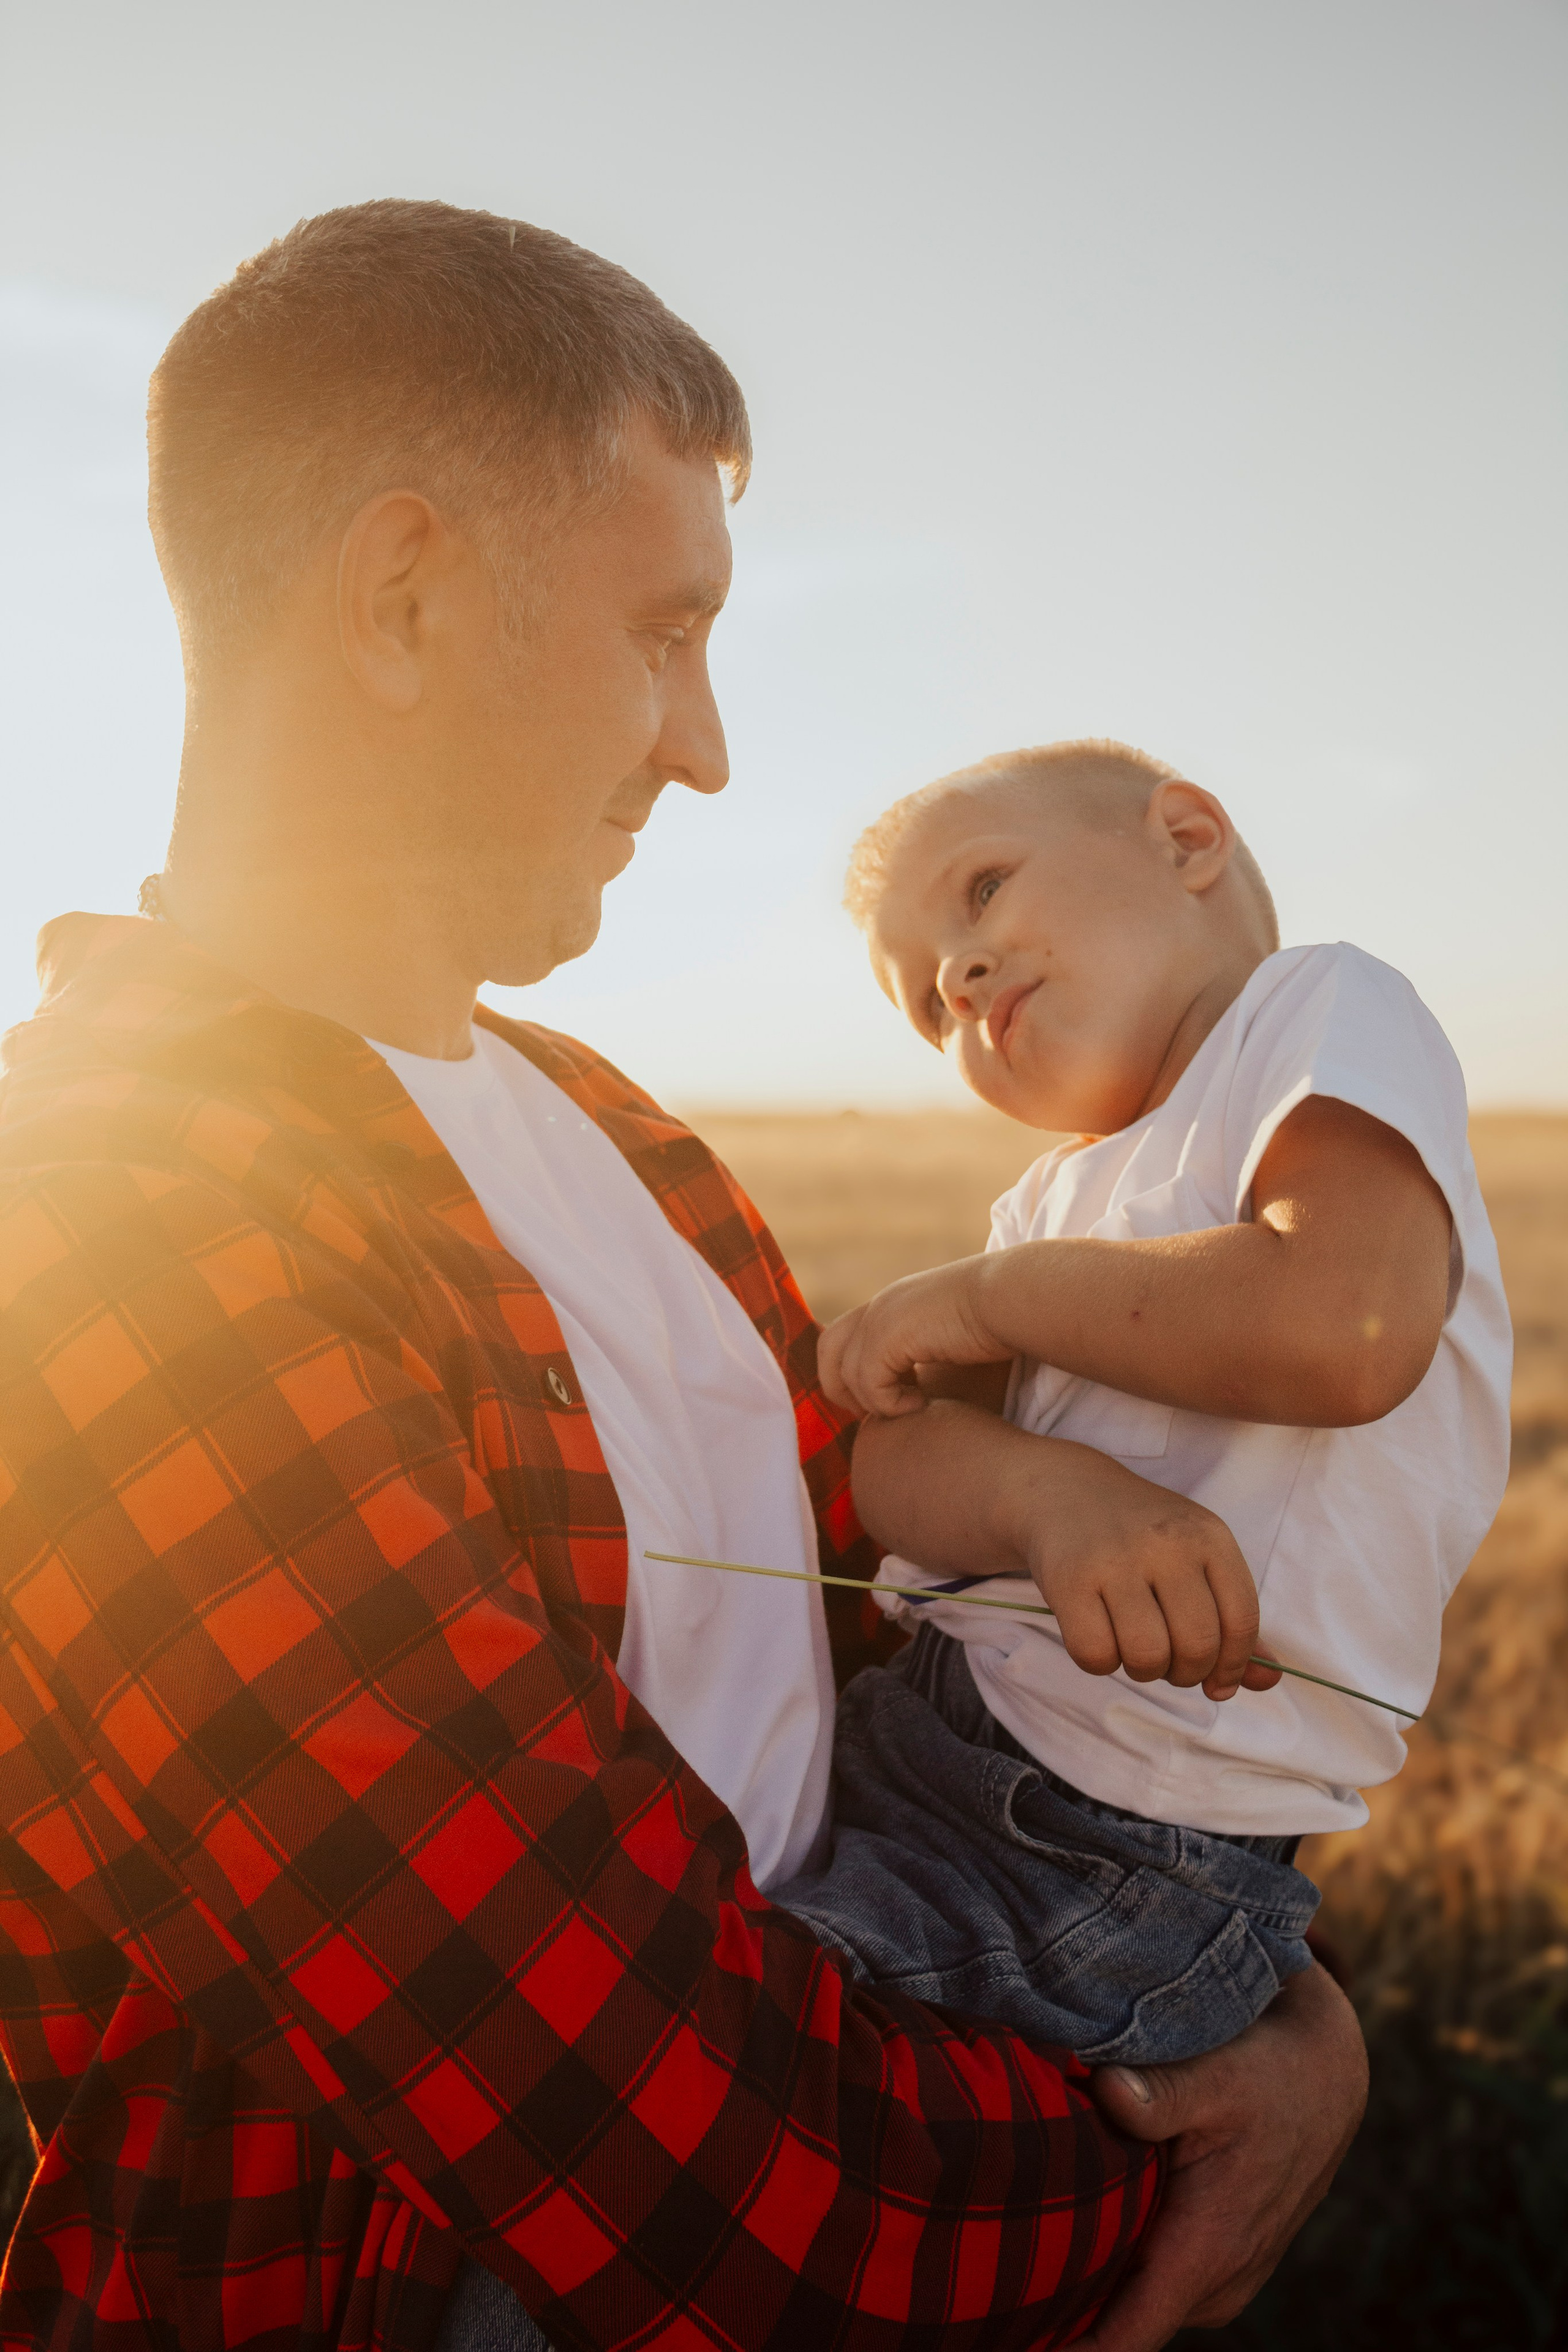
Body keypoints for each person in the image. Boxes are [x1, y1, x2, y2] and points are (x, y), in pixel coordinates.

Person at [0, 206, 1365, 2352]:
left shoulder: (617, 1133)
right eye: (664, 634)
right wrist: (1209, 2113)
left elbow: (922, 1679)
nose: (707, 747)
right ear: (403, 594)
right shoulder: (113, 1215)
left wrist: (1282, 2004)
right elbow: (685, 2160)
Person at [784, 740, 1510, 2065]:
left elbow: (1341, 1330)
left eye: (984, 889)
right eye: (926, 1009)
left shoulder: (1317, 1010)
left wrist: (991, 1298)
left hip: (1112, 1837)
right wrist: (1040, 1494)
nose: (957, 978)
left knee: (726, 2053)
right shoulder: (1052, 1197)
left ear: (1185, 842)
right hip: (926, 1724)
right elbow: (884, 1475)